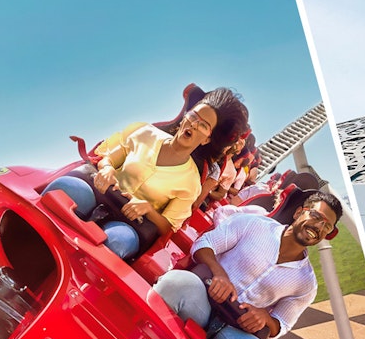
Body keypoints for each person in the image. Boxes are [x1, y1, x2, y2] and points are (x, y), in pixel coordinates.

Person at [153, 190, 343, 339]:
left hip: (233, 330)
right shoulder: (254, 224)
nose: (318, 227)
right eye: (315, 216)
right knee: (174, 283)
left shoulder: (306, 282)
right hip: (202, 301)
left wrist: (265, 318)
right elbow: (204, 244)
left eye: (327, 226)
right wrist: (219, 273)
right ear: (299, 212)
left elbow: (282, 323)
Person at [42, 87, 248, 259]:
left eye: (203, 125)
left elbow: (168, 226)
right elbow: (108, 157)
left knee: (117, 242)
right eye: (194, 116)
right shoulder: (145, 133)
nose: (194, 125)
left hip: (129, 223)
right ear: (185, 116)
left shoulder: (192, 183)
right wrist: (106, 169)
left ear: (207, 139)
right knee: (64, 188)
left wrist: (148, 209)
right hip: (100, 191)